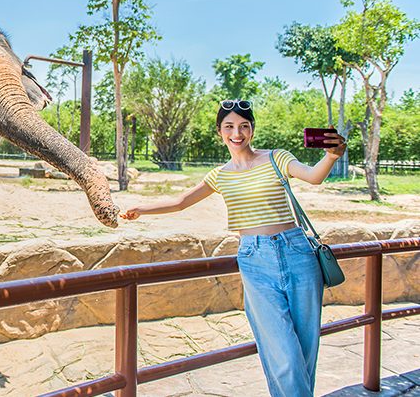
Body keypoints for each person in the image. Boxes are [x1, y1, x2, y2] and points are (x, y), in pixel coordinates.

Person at [121, 99, 346, 397]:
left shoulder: (277, 158)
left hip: (297, 252)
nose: (236, 133)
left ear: (252, 130)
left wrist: (332, 155)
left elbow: (314, 176)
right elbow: (180, 202)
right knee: (283, 353)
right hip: (255, 260)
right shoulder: (219, 175)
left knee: (305, 348)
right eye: (229, 127)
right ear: (220, 132)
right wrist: (141, 208)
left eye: (243, 126)